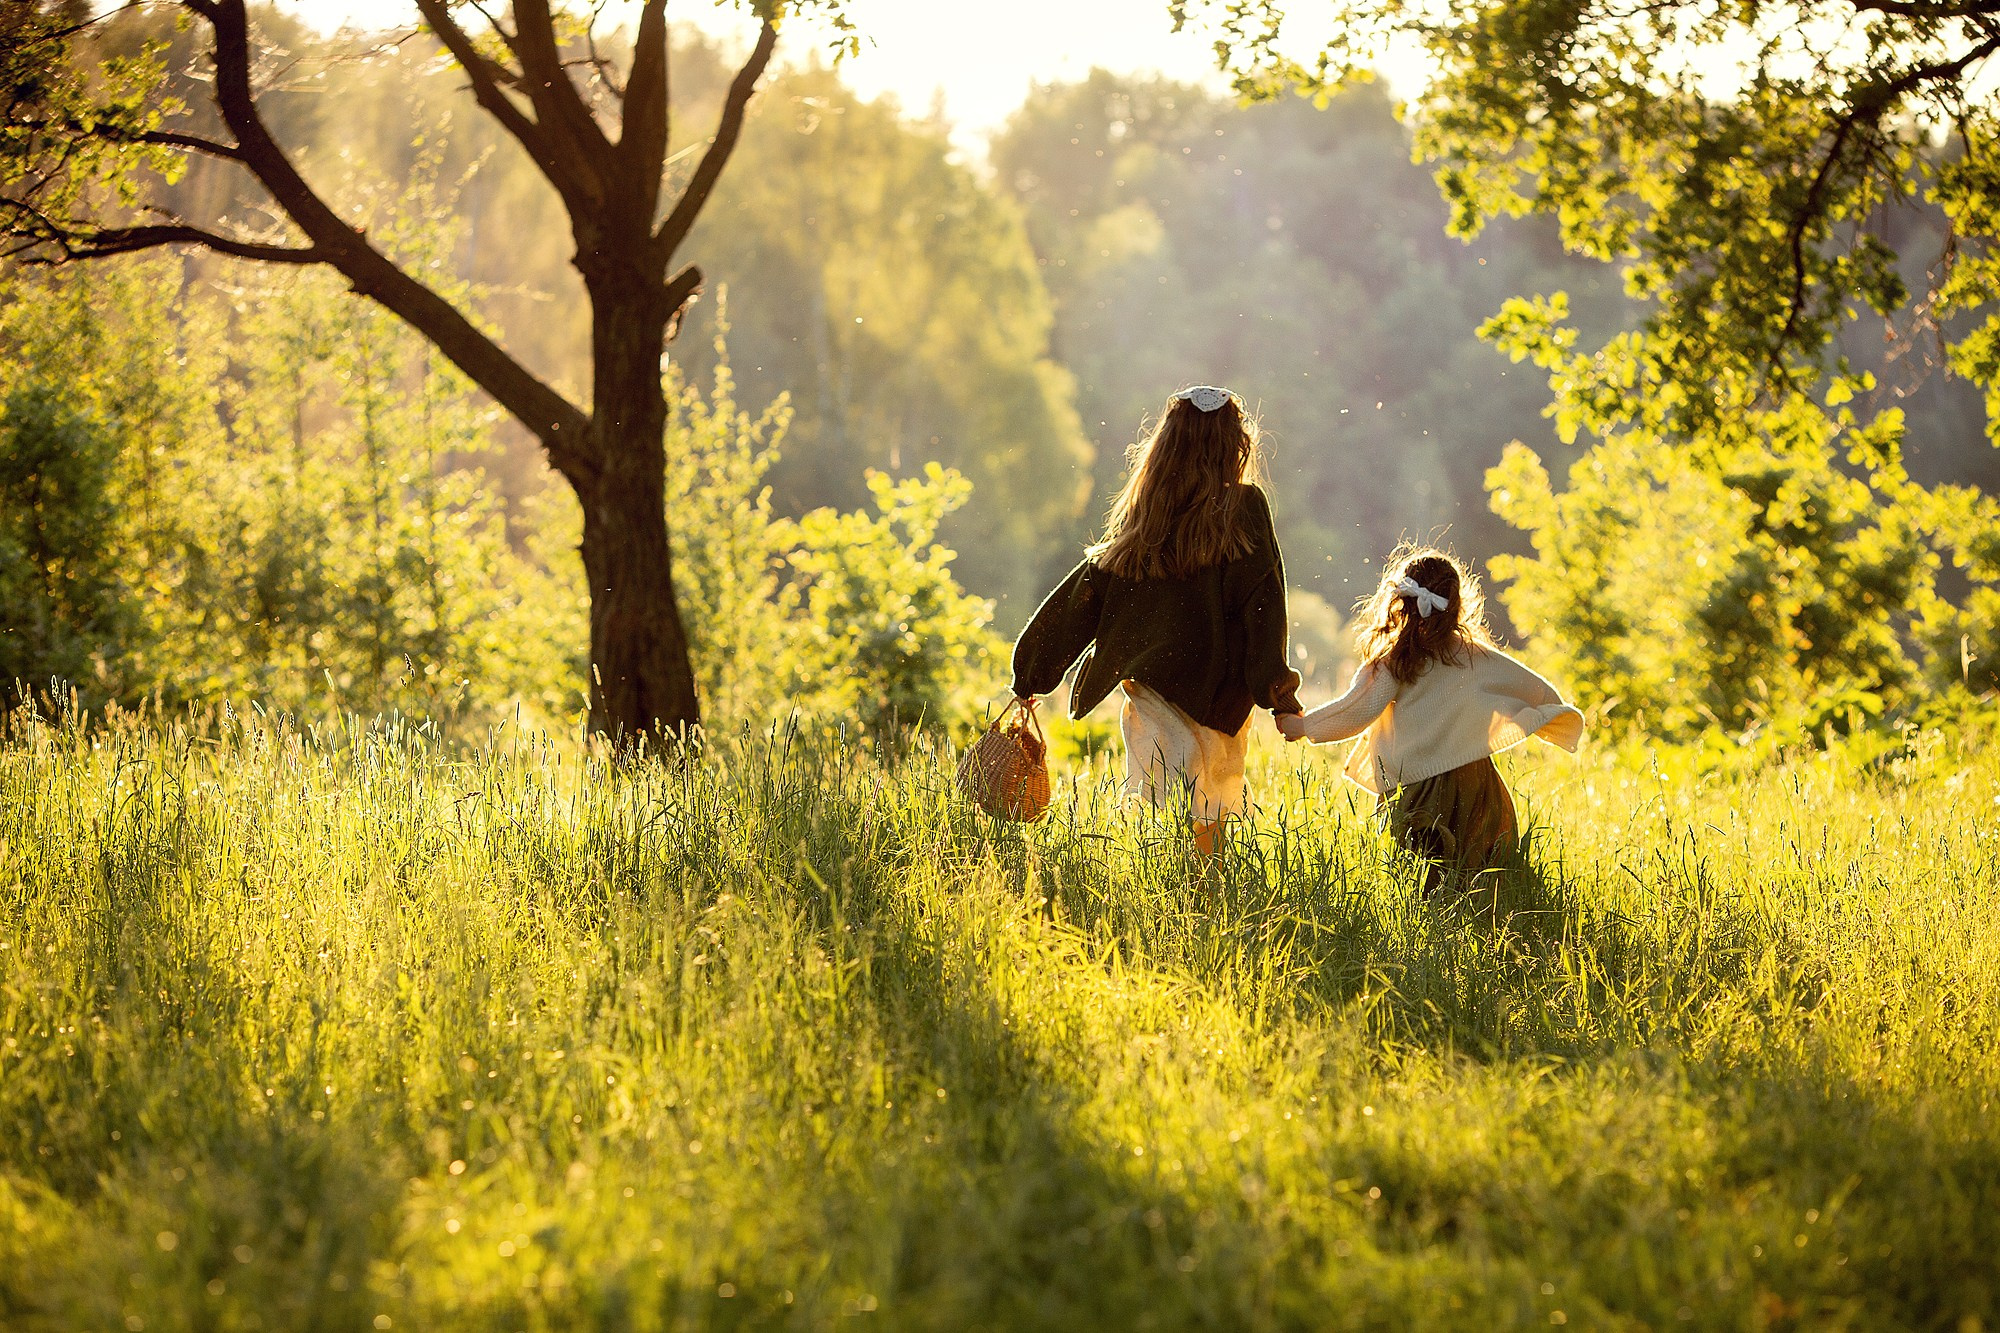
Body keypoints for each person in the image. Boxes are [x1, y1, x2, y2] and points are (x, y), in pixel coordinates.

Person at [1010, 385, 1303, 855]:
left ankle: (1165, 900)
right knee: (1208, 810)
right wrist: (1278, 693)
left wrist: (1032, 673)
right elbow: (1264, 608)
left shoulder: (1146, 516)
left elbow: (1081, 598)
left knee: (1159, 808)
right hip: (1215, 691)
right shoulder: (1244, 508)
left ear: (1167, 444)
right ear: (1235, 445)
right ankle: (1200, 900)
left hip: (1152, 693)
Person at [1276, 547, 1584, 892]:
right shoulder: (1474, 657)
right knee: (1481, 870)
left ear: (1400, 603)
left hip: (1420, 790)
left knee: (1426, 876)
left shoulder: (1398, 661)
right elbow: (1530, 686)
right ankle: (1501, 921)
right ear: (1456, 605)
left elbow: (1356, 710)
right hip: (1475, 781)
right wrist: (1557, 717)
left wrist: (1304, 726)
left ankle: (1437, 929)